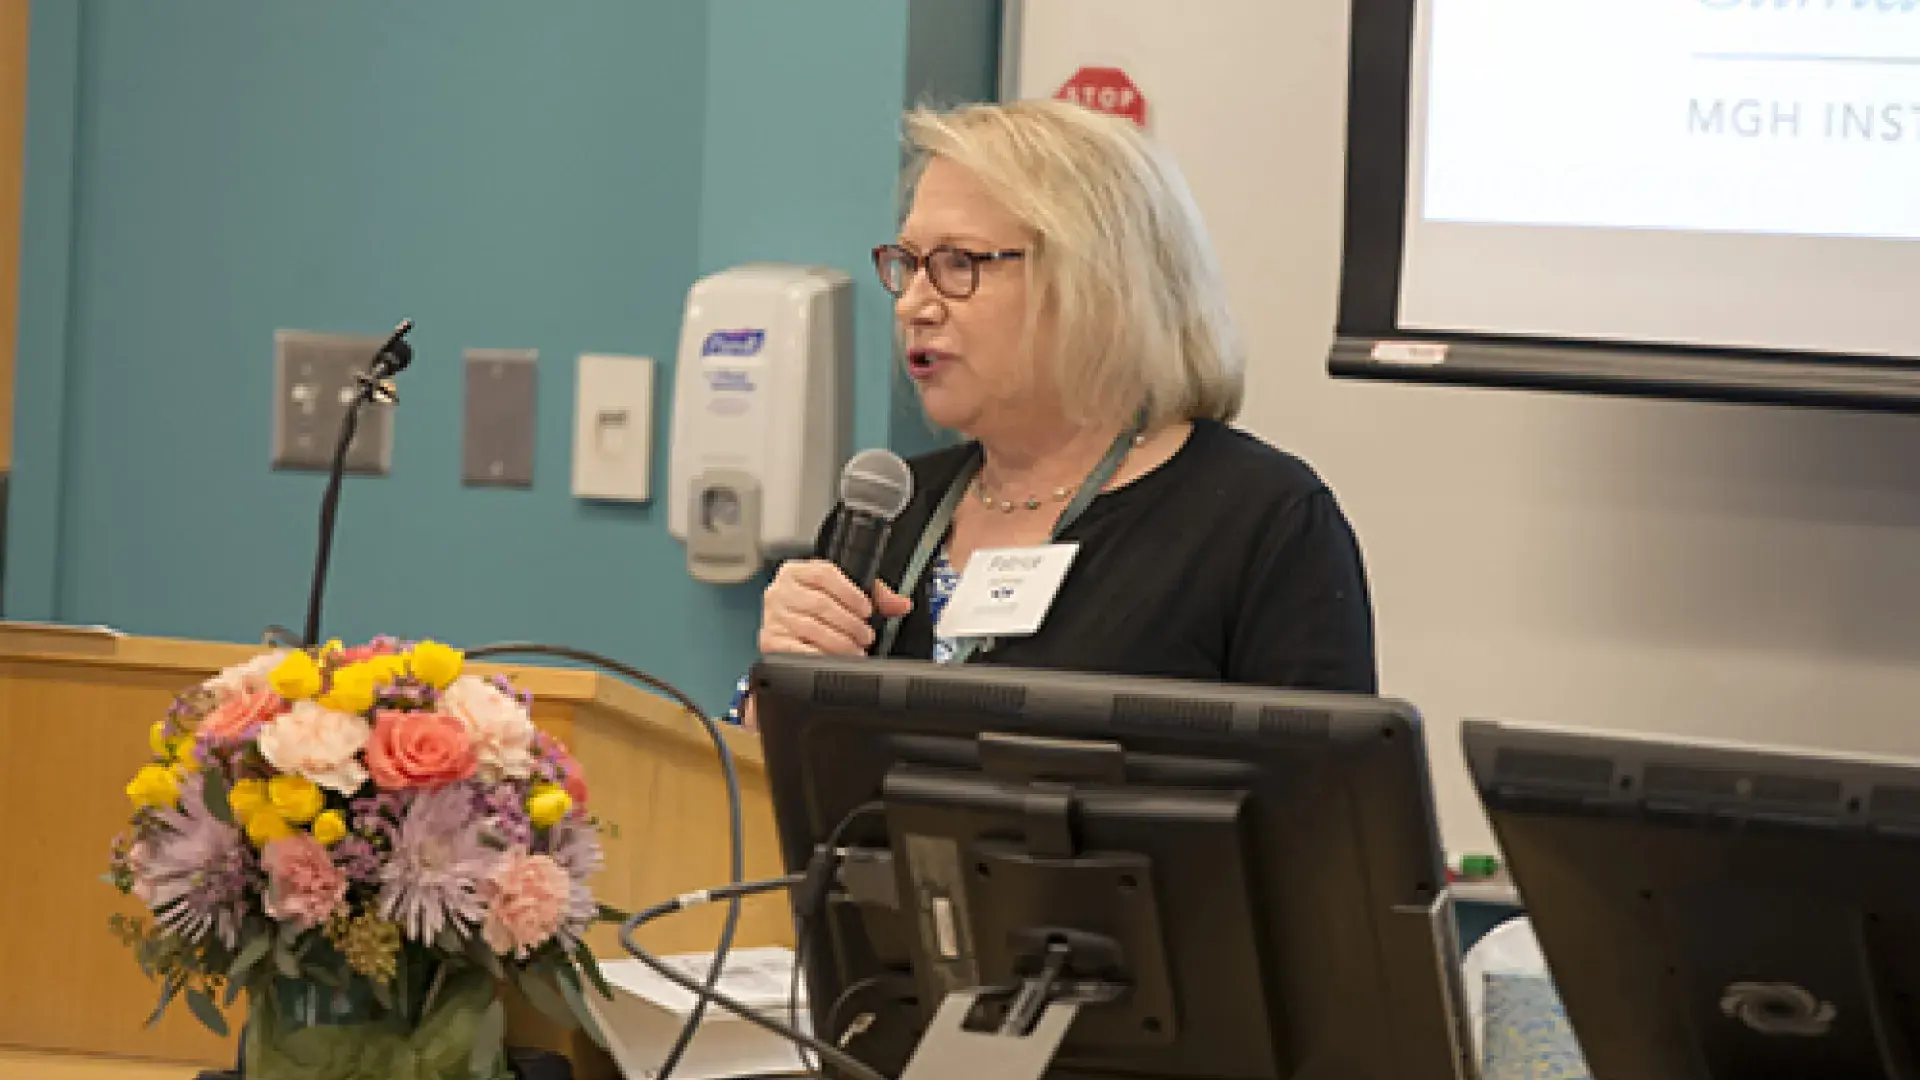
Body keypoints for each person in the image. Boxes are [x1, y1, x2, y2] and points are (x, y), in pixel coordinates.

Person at [727, 99, 1374, 727]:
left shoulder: (1262, 522)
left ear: (1095, 280)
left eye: (958, 264)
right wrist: (781, 689)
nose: (912, 306)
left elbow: (1325, 818)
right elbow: (772, 804)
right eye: (909, 265)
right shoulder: (885, 518)